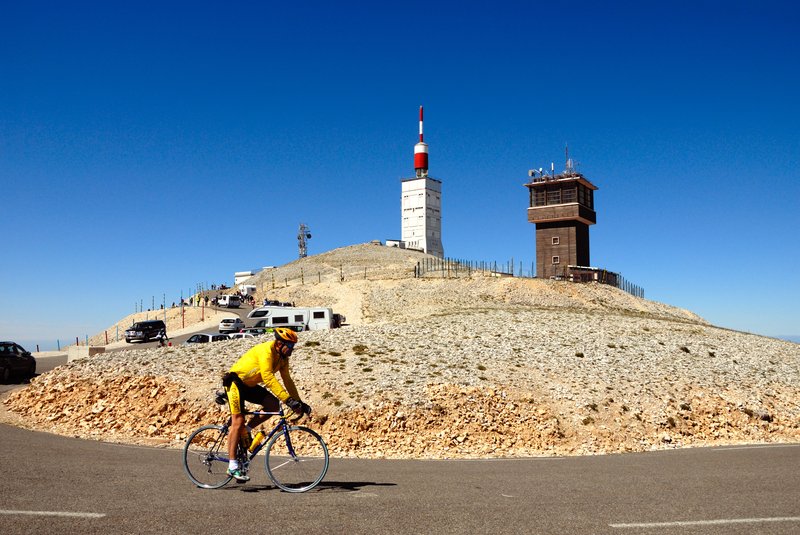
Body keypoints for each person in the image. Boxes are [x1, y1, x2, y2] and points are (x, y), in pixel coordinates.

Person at [222, 327, 311, 482]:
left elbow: (287, 380)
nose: (291, 350)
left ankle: (247, 431)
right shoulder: (266, 351)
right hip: (235, 383)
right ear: (278, 343)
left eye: (293, 347)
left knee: (274, 406)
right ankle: (232, 465)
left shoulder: (283, 358)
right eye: (289, 346)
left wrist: (299, 401)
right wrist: (288, 401)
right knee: (238, 421)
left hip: (249, 385)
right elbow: (268, 378)